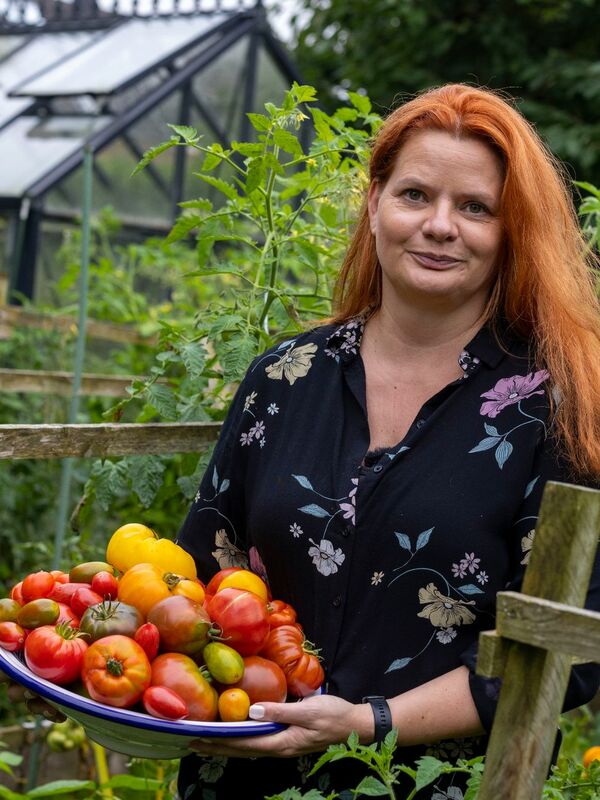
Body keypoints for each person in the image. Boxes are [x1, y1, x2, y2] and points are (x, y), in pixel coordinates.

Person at [176, 83, 600, 799]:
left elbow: (573, 645)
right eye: (414, 195)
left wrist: (369, 722)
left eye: (476, 207)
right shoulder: (283, 379)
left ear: (511, 230)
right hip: (244, 774)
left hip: (432, 784)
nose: (440, 226)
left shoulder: (555, 408)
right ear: (373, 203)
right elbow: (197, 577)